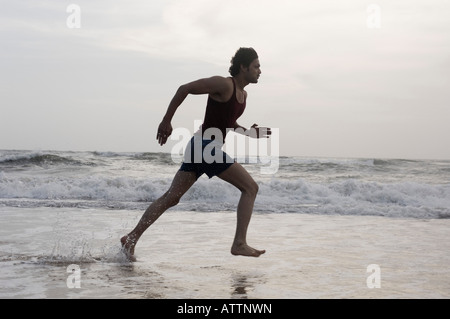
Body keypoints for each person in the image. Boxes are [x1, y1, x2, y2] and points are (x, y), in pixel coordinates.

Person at [121, 47, 271, 261]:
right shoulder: (223, 84)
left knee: (171, 198)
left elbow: (228, 124)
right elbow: (185, 88)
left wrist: (249, 132)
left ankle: (132, 237)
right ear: (243, 67)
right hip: (204, 147)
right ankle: (239, 243)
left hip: (202, 148)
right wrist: (166, 120)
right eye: (256, 66)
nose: (259, 71)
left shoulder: (243, 95)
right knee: (250, 188)